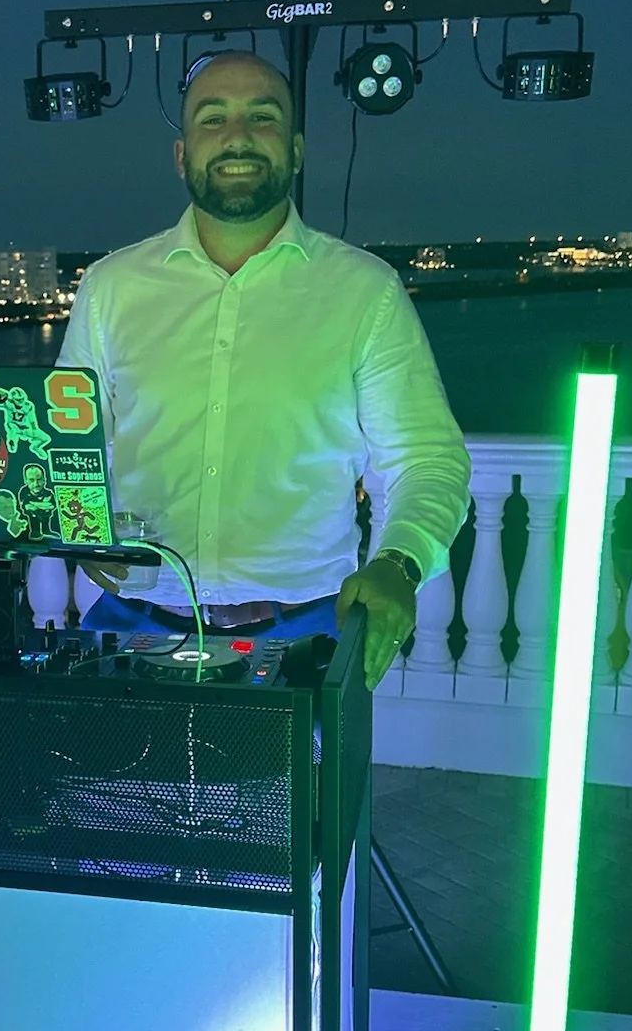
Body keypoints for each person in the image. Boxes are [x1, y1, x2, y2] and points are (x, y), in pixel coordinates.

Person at [59, 50, 472, 687]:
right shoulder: (112, 287)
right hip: (129, 623)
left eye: (263, 117)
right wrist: (81, 527)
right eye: (212, 118)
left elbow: (425, 460)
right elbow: (69, 448)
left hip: (306, 632)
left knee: (293, 793)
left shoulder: (365, 292)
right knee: (108, 789)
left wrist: (401, 561)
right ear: (182, 155)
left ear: (297, 150)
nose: (238, 137)